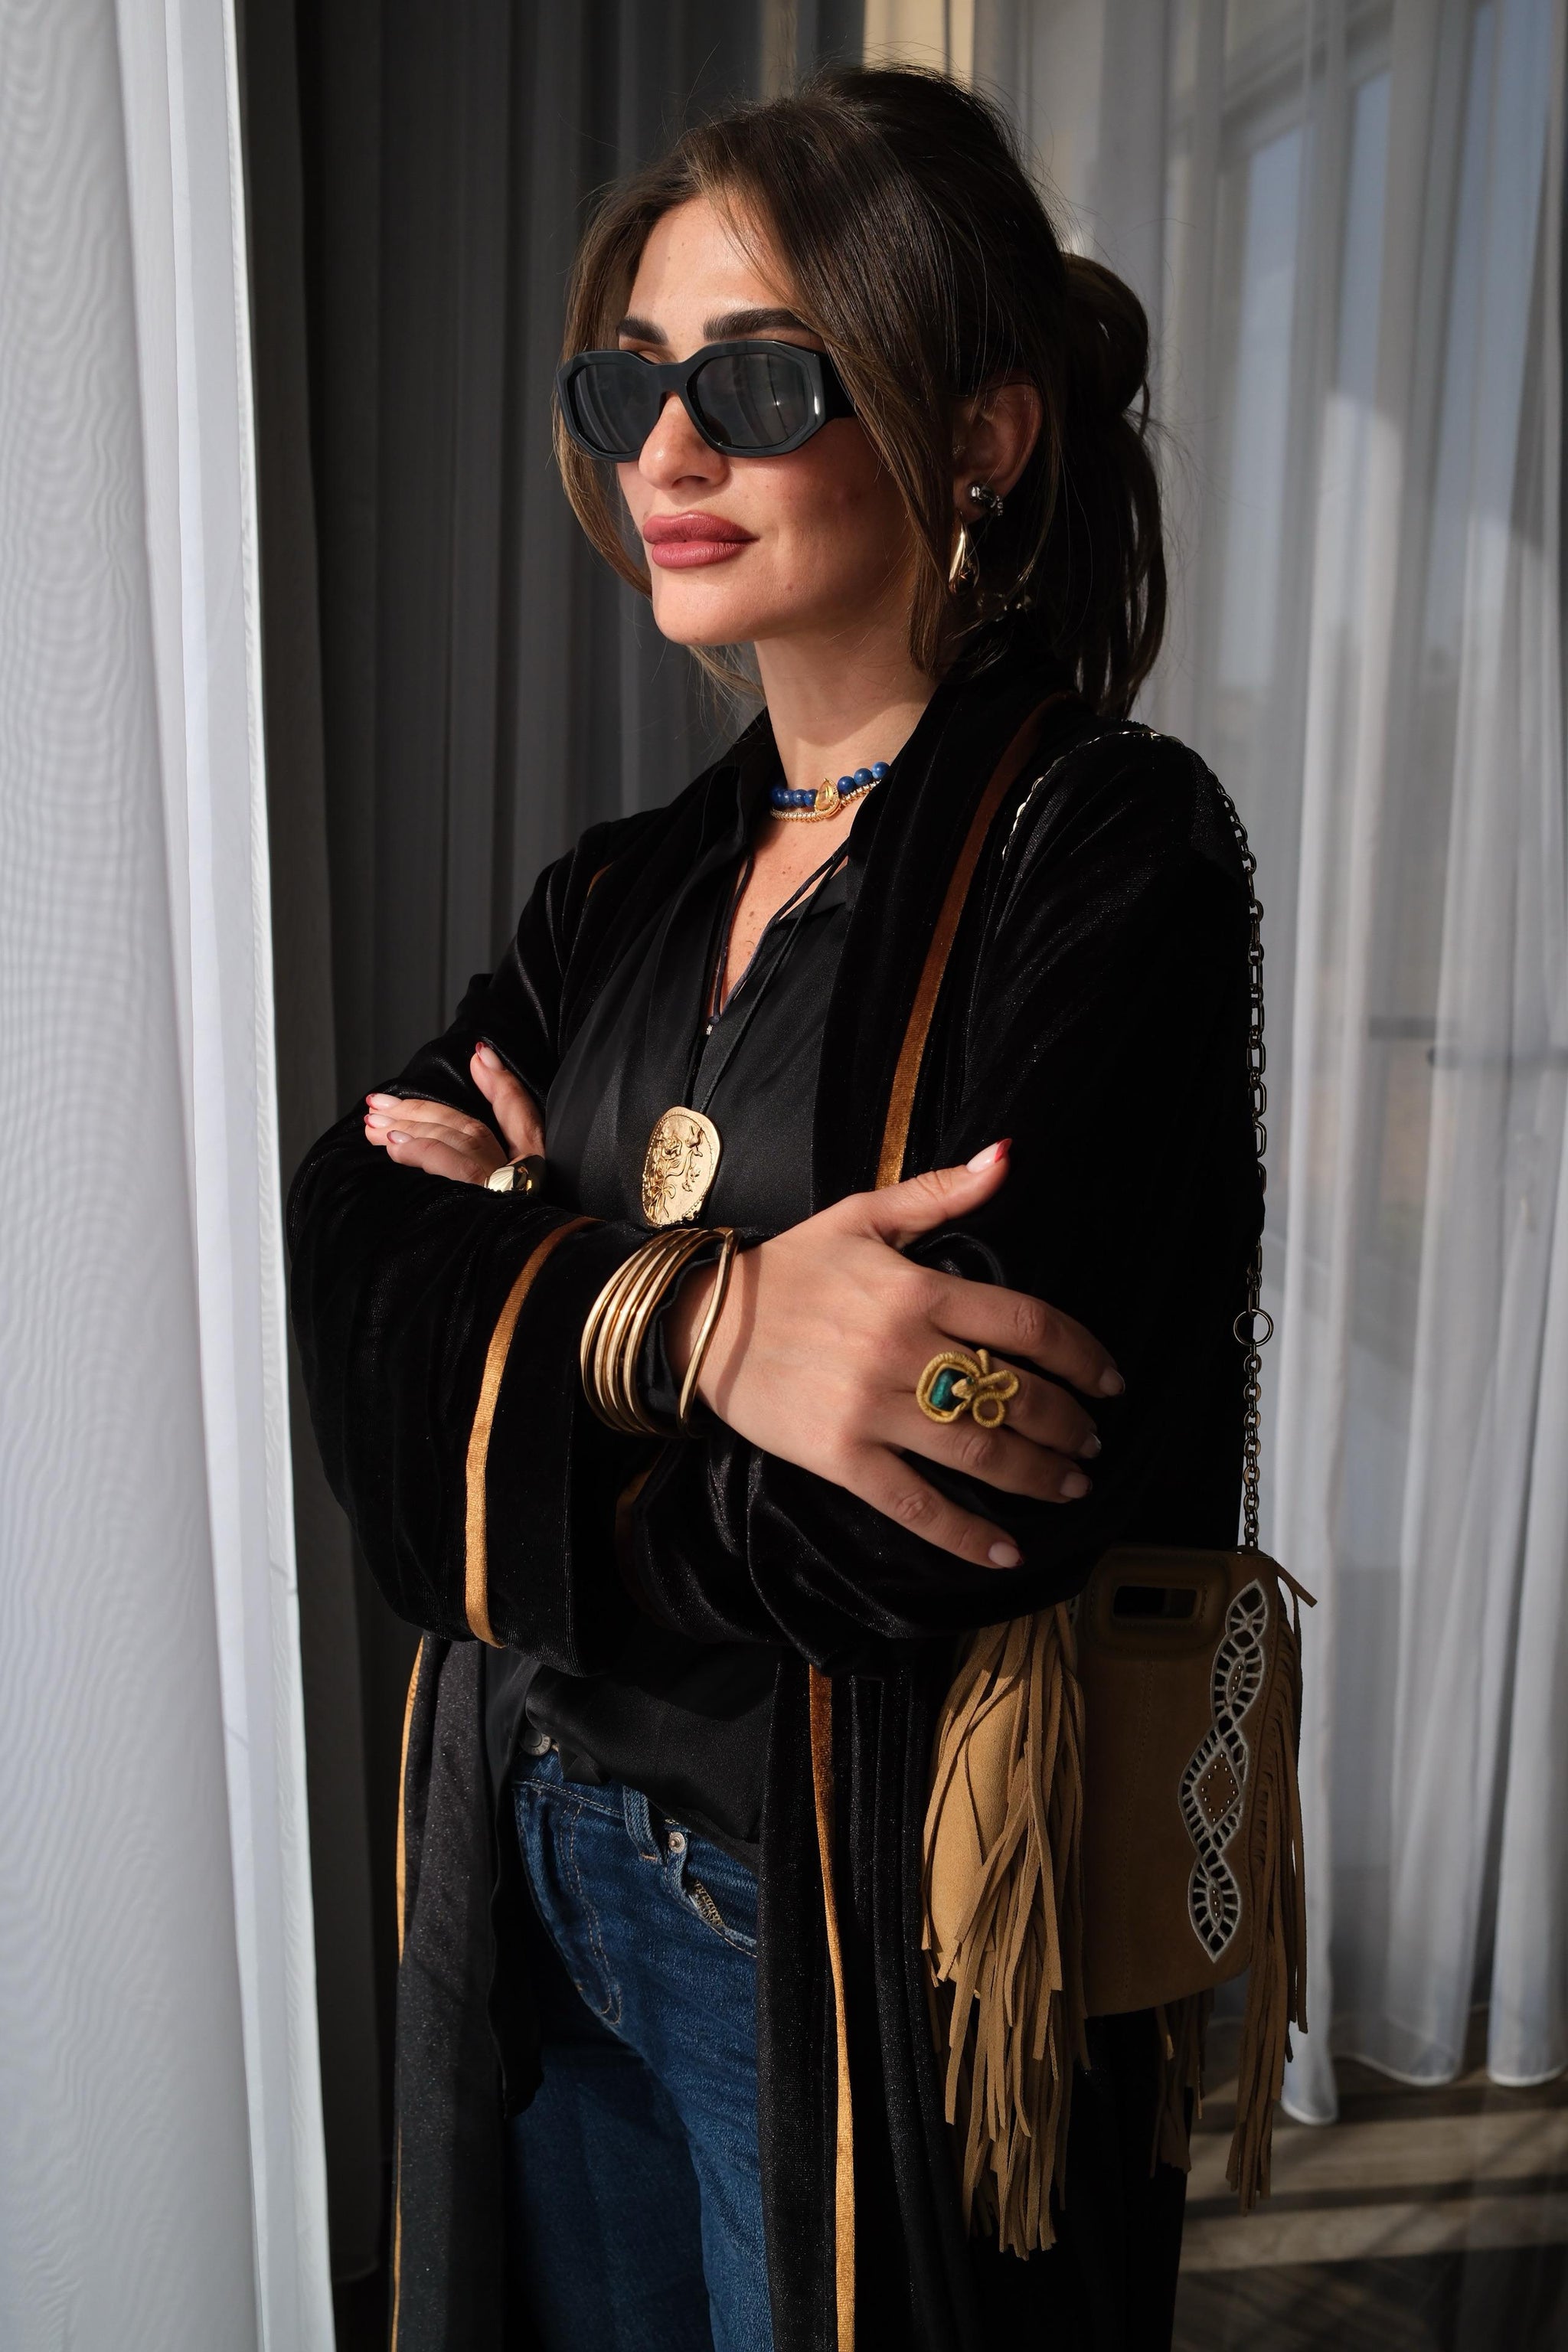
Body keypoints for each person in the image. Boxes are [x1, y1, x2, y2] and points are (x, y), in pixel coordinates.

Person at [289, 64, 1260, 2352]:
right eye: (626, 381)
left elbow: (935, 1499)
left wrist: (515, 1347)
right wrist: (705, 1334)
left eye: (750, 378)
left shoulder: (1108, 848)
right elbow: (348, 1273)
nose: (664, 451)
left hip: (838, 1922)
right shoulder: (616, 889)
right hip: (536, 1854)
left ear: (977, 430)